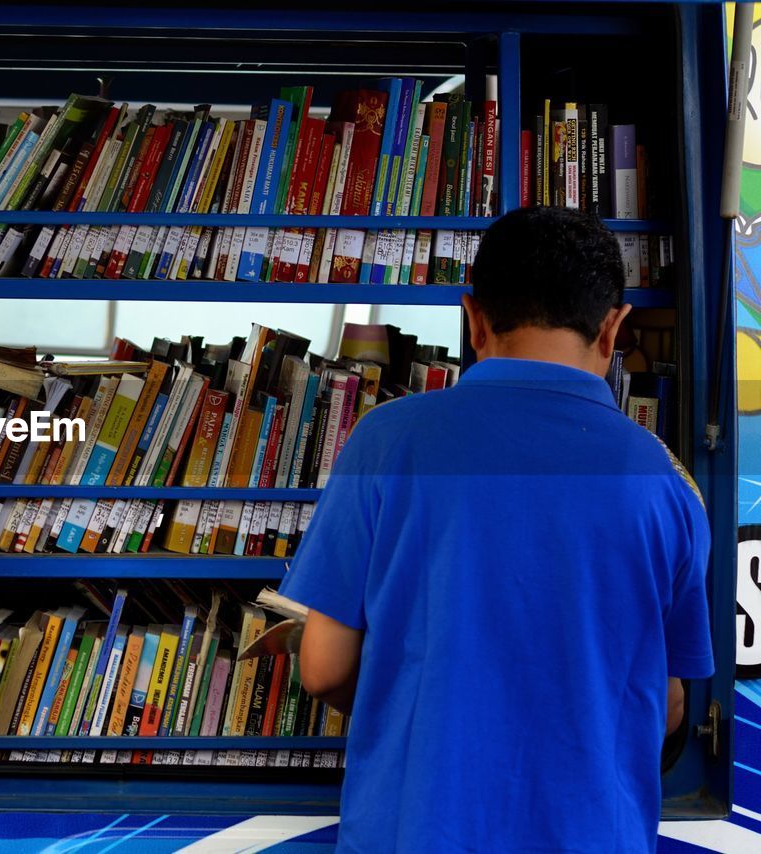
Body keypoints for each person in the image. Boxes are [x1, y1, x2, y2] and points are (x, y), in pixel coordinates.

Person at [281, 206, 713, 852]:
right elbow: (669, 705)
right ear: (613, 329)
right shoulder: (665, 485)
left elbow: (320, 668)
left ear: (474, 319)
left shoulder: (385, 443)